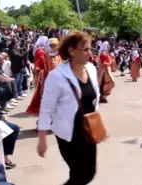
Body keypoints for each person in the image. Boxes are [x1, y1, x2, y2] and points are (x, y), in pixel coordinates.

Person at [37, 31, 99, 185]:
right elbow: (46, 108)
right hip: (68, 133)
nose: (89, 53)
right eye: (85, 49)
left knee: (90, 172)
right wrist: (42, 138)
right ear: (72, 51)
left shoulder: (91, 69)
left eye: (90, 49)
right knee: (79, 174)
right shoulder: (56, 76)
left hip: (89, 129)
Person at [26, 38, 62, 115]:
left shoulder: (59, 56)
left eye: (56, 46)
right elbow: (38, 66)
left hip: (58, 81)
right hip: (47, 80)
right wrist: (38, 69)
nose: (54, 48)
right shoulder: (44, 57)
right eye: (52, 46)